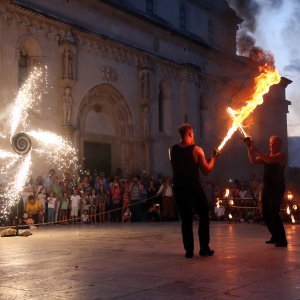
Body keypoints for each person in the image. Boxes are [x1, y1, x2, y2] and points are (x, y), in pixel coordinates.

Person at [170, 123, 218, 258]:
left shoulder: (172, 150)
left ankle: (189, 250)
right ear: (190, 133)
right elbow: (207, 170)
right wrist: (213, 158)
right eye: (193, 133)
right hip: (192, 187)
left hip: (179, 188)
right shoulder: (197, 149)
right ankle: (204, 248)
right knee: (203, 213)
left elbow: (182, 166)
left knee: (186, 219)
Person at [244, 135, 288, 247]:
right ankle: (275, 236)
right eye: (270, 143)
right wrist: (249, 148)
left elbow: (269, 160)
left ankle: (282, 240)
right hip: (267, 188)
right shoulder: (266, 155)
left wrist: (256, 150)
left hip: (277, 188)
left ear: (279, 145)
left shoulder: (281, 156)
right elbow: (253, 161)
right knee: (265, 213)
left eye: (273, 143)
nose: (271, 145)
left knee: (273, 211)